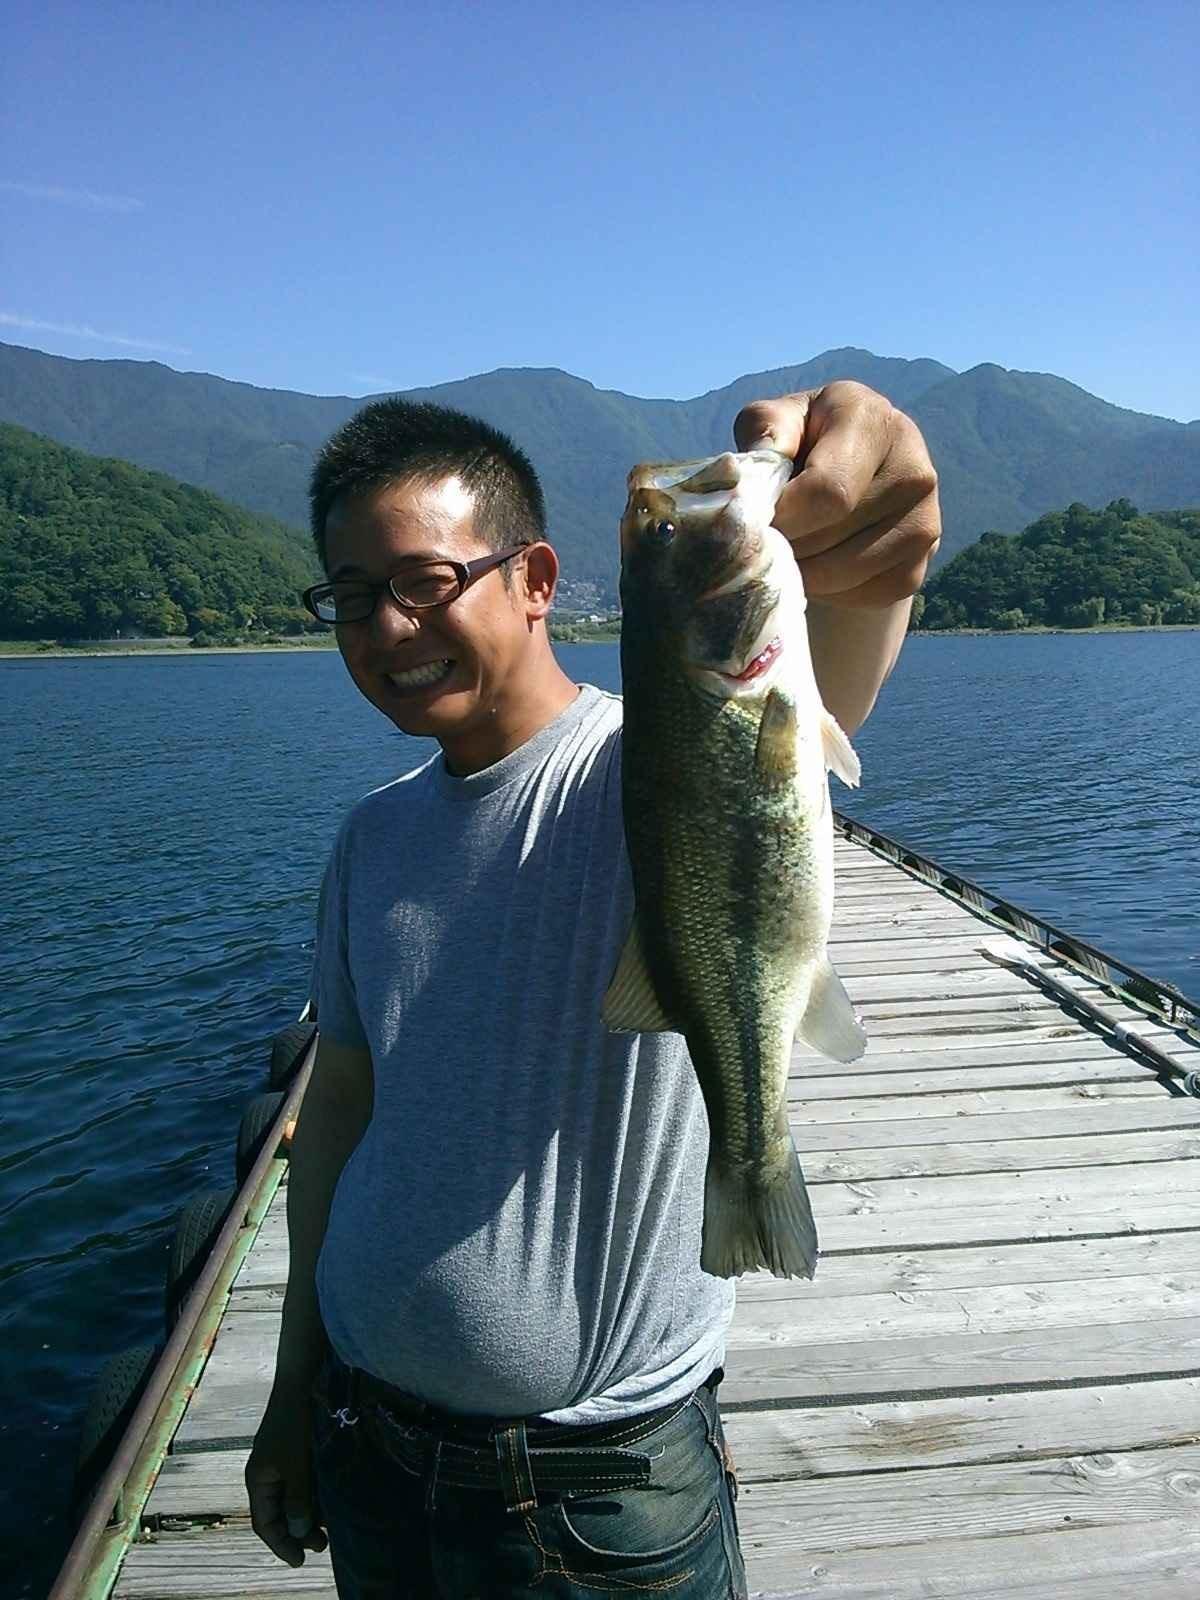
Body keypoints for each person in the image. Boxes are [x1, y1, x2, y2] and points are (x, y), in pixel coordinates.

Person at [245, 381, 940, 1598]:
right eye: (353, 597)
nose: (389, 627)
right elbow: (341, 1112)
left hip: (591, 1497)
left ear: (534, 578)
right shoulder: (372, 837)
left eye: (423, 581)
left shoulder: (645, 755)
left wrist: (880, 503)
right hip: (370, 1447)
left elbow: (823, 656)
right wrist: (293, 1383)